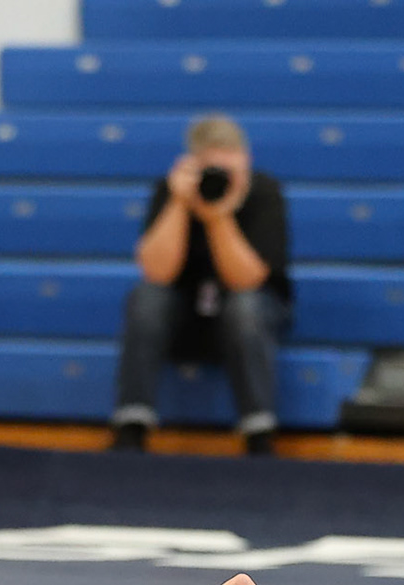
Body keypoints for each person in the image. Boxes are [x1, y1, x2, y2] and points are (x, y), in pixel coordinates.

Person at [111, 114, 291, 456]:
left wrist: (218, 217)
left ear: (246, 162)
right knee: (145, 298)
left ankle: (258, 430)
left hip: (249, 314)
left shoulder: (264, 192)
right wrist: (180, 203)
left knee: (246, 307)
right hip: (185, 312)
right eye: (212, 170)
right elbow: (156, 272)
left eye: (229, 170)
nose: (219, 180)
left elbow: (247, 279)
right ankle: (131, 423)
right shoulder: (172, 190)